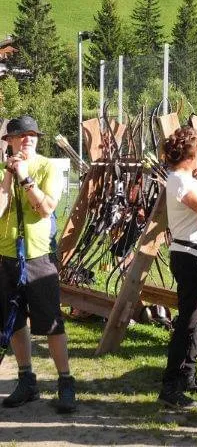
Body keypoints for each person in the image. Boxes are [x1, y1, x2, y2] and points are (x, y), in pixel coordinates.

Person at [0, 115, 76, 413]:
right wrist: (9, 176)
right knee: (15, 320)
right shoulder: (1, 171)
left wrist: (24, 176)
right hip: (6, 257)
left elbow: (46, 209)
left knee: (52, 322)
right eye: (21, 135)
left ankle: (65, 382)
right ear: (9, 141)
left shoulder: (47, 167)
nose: (28, 139)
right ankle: (26, 380)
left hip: (39, 256)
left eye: (32, 135)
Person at [157, 126, 197, 409]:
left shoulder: (186, 178)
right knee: (188, 324)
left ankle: (188, 376)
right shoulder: (180, 181)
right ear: (189, 156)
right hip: (191, 257)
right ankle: (171, 387)